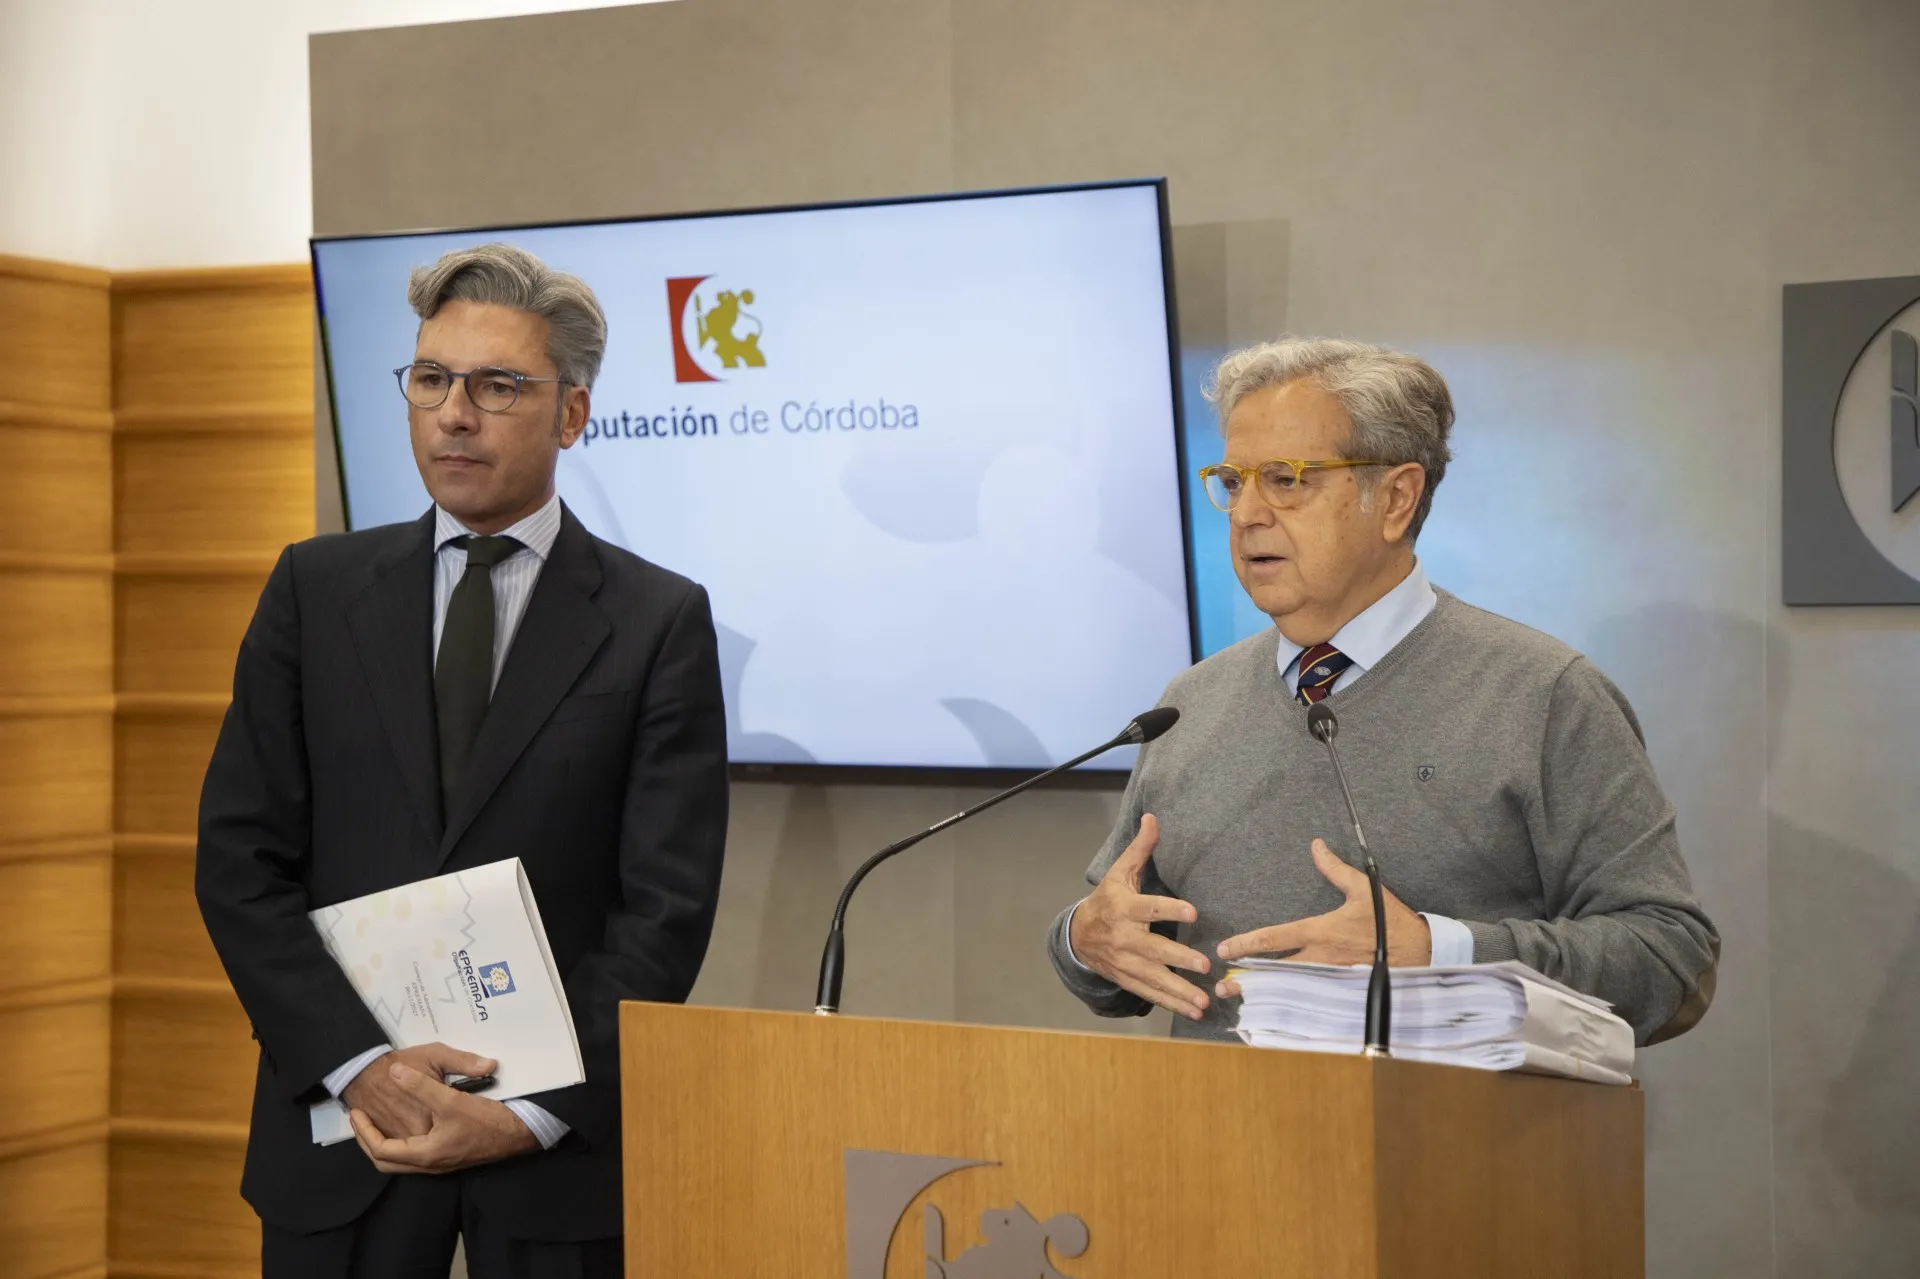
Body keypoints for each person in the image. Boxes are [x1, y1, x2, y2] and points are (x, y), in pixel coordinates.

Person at [196, 242, 729, 1278]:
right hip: (344, 1140)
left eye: (496, 386)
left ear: (573, 413)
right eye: (432, 379)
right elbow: (239, 860)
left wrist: (529, 1111)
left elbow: (662, 909)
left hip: (554, 1171)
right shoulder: (314, 589)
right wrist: (361, 1067)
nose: (453, 413)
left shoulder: (657, 618)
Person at [1048, 337, 1718, 1046]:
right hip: (1212, 1144)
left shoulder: (1543, 695)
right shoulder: (1189, 703)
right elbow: (1117, 939)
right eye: (1233, 480)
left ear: (1396, 498)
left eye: (1285, 478)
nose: (1245, 515)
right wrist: (1081, 941)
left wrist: (1440, 950)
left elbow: (1670, 958)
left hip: (1449, 1147)